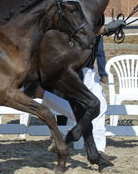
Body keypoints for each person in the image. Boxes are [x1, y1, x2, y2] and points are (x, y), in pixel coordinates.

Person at [42, 19, 126, 160]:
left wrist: (106, 29)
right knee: (80, 110)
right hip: (71, 69)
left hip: (88, 69)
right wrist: (105, 29)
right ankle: (67, 137)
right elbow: (76, 32)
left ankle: (98, 150)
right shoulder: (74, 9)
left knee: (100, 106)